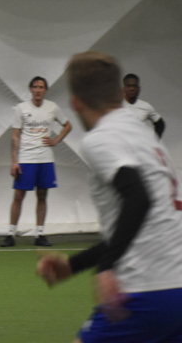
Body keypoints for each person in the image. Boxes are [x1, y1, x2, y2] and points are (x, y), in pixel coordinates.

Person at [37, 52, 182, 343]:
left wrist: (106, 267)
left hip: (144, 291)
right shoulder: (144, 136)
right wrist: (74, 265)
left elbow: (138, 198)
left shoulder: (101, 138)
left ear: (75, 102)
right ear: (119, 93)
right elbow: (137, 227)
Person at [0, 76, 72, 247]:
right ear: (30, 89)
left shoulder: (52, 107)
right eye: (35, 87)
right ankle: (10, 234)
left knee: (42, 195)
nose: (38, 90)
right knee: (18, 195)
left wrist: (56, 140)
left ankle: (40, 234)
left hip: (45, 159)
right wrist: (14, 161)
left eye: (41, 87)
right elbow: (15, 135)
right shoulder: (21, 108)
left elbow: (68, 125)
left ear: (45, 90)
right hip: (26, 158)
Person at [122, 73, 166, 138]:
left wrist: (154, 141)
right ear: (124, 88)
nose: (132, 89)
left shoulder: (145, 106)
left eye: (134, 86)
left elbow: (160, 124)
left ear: (138, 88)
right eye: (129, 86)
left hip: (137, 143)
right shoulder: (115, 106)